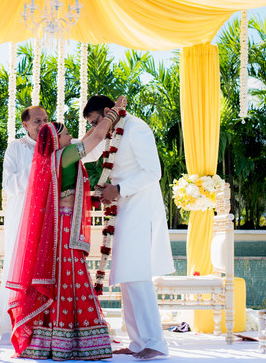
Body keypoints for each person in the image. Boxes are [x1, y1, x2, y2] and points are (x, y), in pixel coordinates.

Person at [6, 96, 126, 360]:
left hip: (61, 227)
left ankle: (53, 339)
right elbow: (94, 139)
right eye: (67, 133)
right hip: (64, 229)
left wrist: (103, 122)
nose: (72, 136)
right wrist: (113, 114)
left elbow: (88, 138)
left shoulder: (55, 156)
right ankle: (76, 339)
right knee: (71, 276)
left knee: (63, 279)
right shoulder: (65, 155)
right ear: (56, 138)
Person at [83, 95, 175, 360]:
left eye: (97, 121)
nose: (98, 127)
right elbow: (88, 152)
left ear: (109, 112)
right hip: (123, 209)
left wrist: (119, 188)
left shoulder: (136, 128)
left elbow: (152, 172)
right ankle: (137, 342)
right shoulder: (111, 131)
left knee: (138, 275)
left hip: (140, 206)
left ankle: (156, 343)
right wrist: (58, 149)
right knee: (126, 276)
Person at [0, 106, 49, 342]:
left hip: (50, 217)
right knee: (21, 267)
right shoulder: (16, 147)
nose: (42, 124)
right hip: (22, 216)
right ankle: (17, 323)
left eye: (45, 120)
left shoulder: (56, 143)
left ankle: (46, 326)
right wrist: (37, 164)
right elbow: (9, 185)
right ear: (25, 125)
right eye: (37, 120)